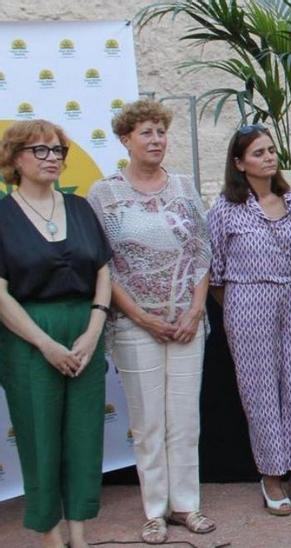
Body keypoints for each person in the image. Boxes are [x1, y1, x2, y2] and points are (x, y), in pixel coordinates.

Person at [86, 100, 216, 543]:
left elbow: (202, 250)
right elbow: (105, 266)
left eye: (161, 131)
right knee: (148, 423)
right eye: (146, 132)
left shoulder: (183, 185)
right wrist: (141, 316)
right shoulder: (104, 193)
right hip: (134, 325)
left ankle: (187, 506)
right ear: (125, 139)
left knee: (185, 419)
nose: (156, 139)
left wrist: (196, 310)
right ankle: (155, 510)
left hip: (187, 323)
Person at [0, 120, 112, 548]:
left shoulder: (80, 207)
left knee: (85, 435)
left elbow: (102, 269)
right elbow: (1, 293)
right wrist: (45, 344)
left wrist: (93, 328)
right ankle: (50, 535)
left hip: (85, 329)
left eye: (58, 151)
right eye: (41, 150)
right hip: (29, 339)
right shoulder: (3, 216)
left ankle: (79, 535)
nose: (53, 159)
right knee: (39, 436)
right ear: (15, 159)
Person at [207, 126, 291, 516]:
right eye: (258, 153)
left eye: (271, 150)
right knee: (259, 390)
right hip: (246, 300)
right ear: (239, 163)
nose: (269, 157)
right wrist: (240, 306)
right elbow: (215, 273)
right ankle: (271, 473)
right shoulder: (224, 209)